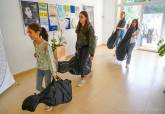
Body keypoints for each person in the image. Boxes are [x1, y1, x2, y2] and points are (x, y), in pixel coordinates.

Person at [27, 23, 57, 111]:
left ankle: (50, 102)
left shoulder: (46, 45)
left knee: (48, 88)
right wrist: (36, 54)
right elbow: (38, 51)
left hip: (47, 69)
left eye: (30, 32)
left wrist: (54, 72)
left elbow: (51, 59)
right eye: (28, 32)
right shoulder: (34, 43)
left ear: (37, 33)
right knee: (38, 87)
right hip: (39, 68)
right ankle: (48, 94)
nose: (28, 34)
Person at [75, 11, 96, 87]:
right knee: (82, 62)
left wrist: (92, 53)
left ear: (86, 18)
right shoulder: (79, 26)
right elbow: (78, 39)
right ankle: (89, 71)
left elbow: (92, 41)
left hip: (86, 48)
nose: (80, 18)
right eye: (79, 16)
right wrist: (76, 48)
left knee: (83, 63)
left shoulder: (90, 27)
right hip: (80, 47)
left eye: (81, 17)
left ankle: (82, 78)